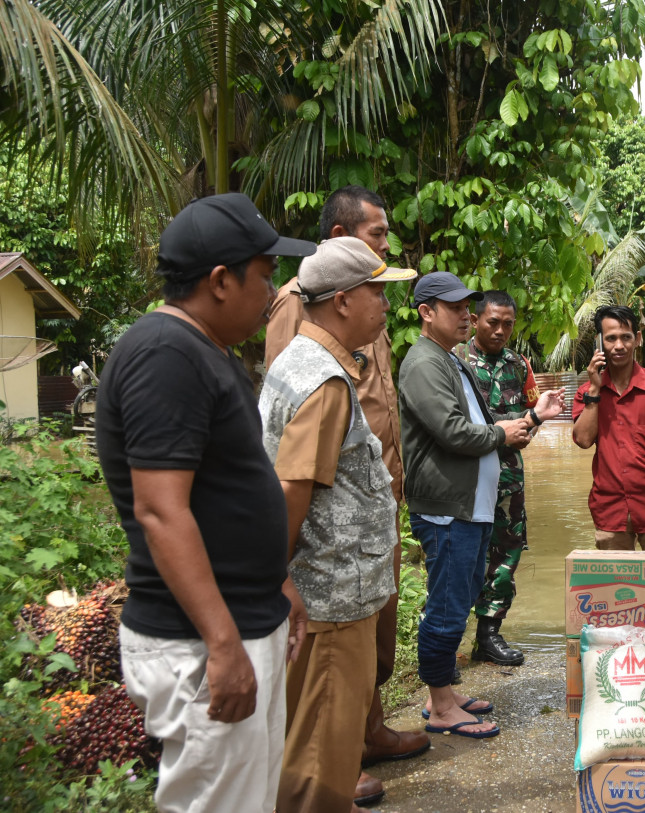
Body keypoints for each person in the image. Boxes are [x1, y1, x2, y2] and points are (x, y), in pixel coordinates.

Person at [94, 193, 315, 813]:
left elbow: (231, 489)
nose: (272, 294)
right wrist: (221, 641)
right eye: (265, 275)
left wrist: (278, 582)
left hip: (245, 618)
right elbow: (162, 510)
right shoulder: (166, 355)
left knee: (247, 797)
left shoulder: (207, 351)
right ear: (221, 280)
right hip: (201, 641)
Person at [264, 186, 427, 805]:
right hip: (327, 585)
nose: (387, 302)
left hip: (340, 570)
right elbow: (292, 482)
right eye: (378, 290)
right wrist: (275, 574)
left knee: (325, 721)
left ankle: (361, 738)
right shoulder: (319, 369)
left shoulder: (326, 351)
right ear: (341, 300)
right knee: (318, 758)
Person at [399, 272, 563, 739]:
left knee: (462, 595)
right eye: (455, 307)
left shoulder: (449, 360)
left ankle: (443, 694)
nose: (465, 315)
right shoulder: (425, 363)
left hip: (472, 505)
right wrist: (504, 433)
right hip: (447, 508)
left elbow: (483, 421)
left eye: (467, 306)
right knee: (447, 606)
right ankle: (441, 704)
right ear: (427, 312)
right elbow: (454, 431)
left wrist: (528, 418)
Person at [458, 290, 560, 666]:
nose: (500, 330)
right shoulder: (456, 362)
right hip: (466, 477)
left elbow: (531, 416)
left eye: (508, 324)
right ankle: (444, 639)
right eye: (493, 322)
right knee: (462, 553)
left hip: (509, 477)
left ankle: (488, 635)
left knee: (507, 551)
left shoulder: (519, 365)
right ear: (475, 320)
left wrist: (526, 430)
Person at [572, 305, 645, 550]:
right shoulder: (587, 392)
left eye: (626, 337)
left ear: (638, 339)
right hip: (610, 510)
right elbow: (582, 440)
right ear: (599, 343)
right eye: (611, 339)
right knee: (614, 587)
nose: (619, 346)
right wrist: (594, 390)